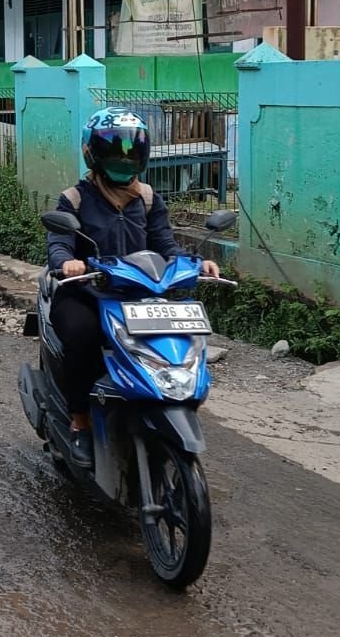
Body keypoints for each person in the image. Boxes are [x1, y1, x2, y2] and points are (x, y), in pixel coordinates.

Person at [45, 107, 220, 468]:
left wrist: (194, 263)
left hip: (140, 294)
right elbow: (59, 242)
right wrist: (66, 262)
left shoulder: (149, 198)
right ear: (91, 152)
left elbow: (165, 245)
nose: (123, 156)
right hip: (86, 291)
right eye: (113, 148)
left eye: (130, 148)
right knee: (82, 336)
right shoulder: (75, 199)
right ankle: (80, 421)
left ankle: (164, 406)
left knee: (176, 345)